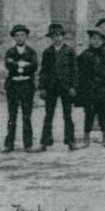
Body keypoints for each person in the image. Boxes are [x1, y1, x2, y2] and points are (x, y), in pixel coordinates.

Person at [76, 28, 105, 148]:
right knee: (89, 113)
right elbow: (78, 72)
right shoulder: (84, 55)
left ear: (103, 41)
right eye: (93, 39)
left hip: (103, 90)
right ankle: (86, 137)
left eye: (99, 39)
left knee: (103, 113)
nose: (96, 42)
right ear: (90, 40)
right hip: (89, 90)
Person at [38, 23, 78, 151]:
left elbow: (75, 71)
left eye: (59, 35)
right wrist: (42, 87)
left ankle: (71, 140)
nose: (57, 38)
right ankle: (45, 141)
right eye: (54, 36)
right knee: (48, 114)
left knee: (68, 114)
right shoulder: (47, 52)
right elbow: (43, 71)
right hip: (51, 87)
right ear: (51, 38)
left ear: (63, 36)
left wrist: (73, 86)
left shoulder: (69, 51)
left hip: (65, 86)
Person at [3, 24, 38, 153]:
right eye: (17, 35)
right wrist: (22, 65)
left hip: (27, 86)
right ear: (13, 37)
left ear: (27, 36)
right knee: (12, 116)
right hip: (13, 86)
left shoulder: (31, 52)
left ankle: (28, 144)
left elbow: (34, 66)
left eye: (22, 35)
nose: (19, 38)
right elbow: (8, 65)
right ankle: (9, 143)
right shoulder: (10, 52)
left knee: (26, 116)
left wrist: (17, 65)